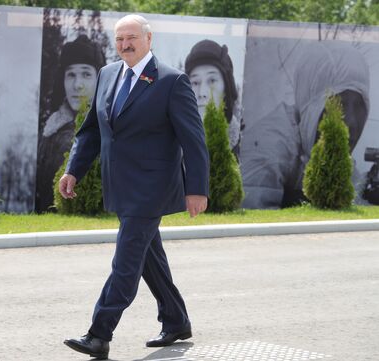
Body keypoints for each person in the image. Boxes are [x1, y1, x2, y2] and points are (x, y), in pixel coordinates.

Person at [60, 14, 209, 360]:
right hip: (121, 186)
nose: (125, 44)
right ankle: (176, 320)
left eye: (132, 38)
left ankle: (99, 334)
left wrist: (197, 188)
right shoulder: (107, 74)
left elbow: (194, 140)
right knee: (148, 257)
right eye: (119, 39)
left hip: (152, 188)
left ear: (148, 39)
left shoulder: (172, 81)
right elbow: (92, 131)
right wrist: (73, 170)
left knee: (126, 262)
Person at [240, 41, 369, 208]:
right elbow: (253, 222)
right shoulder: (268, 145)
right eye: (339, 104)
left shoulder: (331, 152)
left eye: (359, 106)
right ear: (312, 100)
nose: (351, 121)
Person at [35, 35, 105, 212]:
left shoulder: (107, 125)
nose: (77, 85)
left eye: (86, 74)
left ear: (99, 79)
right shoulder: (51, 129)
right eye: (71, 75)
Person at [185, 39, 242, 157]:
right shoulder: (168, 146)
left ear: (227, 88)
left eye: (211, 81)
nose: (202, 93)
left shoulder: (248, 150)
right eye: (195, 82)